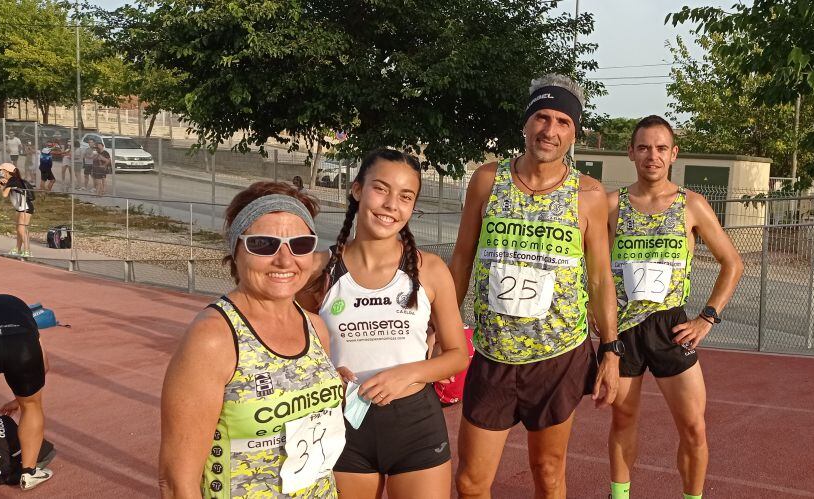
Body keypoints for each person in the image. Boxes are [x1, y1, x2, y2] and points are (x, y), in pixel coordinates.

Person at [448, 74, 621, 499]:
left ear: (574, 132)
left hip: (557, 356)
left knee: (547, 473)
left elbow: (600, 278)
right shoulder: (487, 180)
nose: (550, 130)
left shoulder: (589, 195)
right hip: (493, 353)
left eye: (563, 121)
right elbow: (462, 258)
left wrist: (612, 351)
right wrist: (443, 325)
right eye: (542, 117)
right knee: (471, 482)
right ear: (526, 123)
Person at [297, 148, 469, 499]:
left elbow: (457, 356)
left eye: (405, 196)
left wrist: (409, 372)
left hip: (416, 425)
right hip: (344, 425)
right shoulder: (320, 271)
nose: (392, 204)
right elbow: (293, 350)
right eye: (381, 189)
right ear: (357, 190)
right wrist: (325, 372)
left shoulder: (430, 269)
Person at [158, 182, 344, 498]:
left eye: (300, 244)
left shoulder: (315, 327)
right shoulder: (214, 338)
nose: (285, 261)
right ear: (236, 250)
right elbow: (176, 482)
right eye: (263, 244)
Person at [605, 116, 743, 499]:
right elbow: (590, 268)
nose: (653, 155)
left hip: (672, 328)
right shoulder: (612, 205)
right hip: (625, 329)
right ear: (630, 152)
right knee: (623, 419)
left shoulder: (691, 205)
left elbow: (732, 263)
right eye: (645, 147)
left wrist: (707, 317)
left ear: (674, 154)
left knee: (694, 428)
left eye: (661, 148)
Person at [0, 294, 53, 490]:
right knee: (32, 405)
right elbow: (44, 365)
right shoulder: (23, 312)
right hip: (21, 343)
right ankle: (29, 473)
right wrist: (21, 400)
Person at [0, 163, 34, 257]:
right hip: (20, 208)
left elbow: (4, 195)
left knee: (21, 229)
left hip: (25, 207)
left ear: (6, 171)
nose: (0, 172)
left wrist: (2, 187)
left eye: (1, 170)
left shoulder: (13, 180)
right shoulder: (11, 180)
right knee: (19, 229)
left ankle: (27, 250)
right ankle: (18, 249)